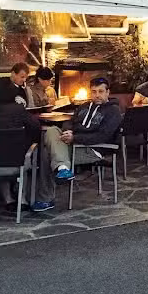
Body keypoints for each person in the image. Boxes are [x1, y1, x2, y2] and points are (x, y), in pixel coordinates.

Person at [34, 77, 123, 212]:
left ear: (107, 92)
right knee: (52, 131)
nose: (97, 95)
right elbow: (70, 122)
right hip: (73, 144)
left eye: (100, 91)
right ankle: (62, 168)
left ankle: (46, 196)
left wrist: (75, 138)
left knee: (47, 153)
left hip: (92, 149)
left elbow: (102, 136)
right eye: (94, 92)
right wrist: (67, 131)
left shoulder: (113, 111)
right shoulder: (84, 106)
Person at [0, 83, 41, 208]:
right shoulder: (18, 109)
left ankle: (7, 199)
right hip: (18, 162)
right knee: (23, 156)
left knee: (0, 152)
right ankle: (22, 199)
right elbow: (35, 127)